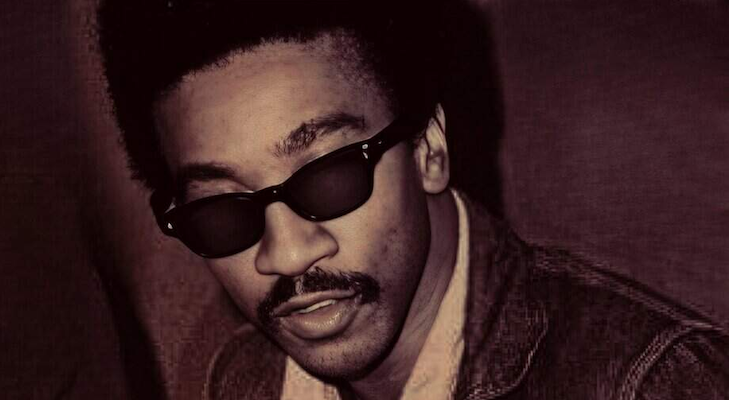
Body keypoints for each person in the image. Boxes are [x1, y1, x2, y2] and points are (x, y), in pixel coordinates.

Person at [98, 1, 729, 399]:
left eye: (328, 176)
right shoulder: (244, 378)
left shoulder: (649, 384)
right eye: (221, 210)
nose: (286, 254)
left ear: (428, 147)